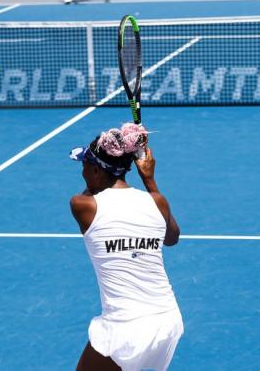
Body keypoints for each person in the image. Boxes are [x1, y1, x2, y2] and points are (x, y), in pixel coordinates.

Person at [69, 123, 183, 371]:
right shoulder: (156, 201)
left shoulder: (82, 205)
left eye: (86, 165)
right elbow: (172, 237)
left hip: (124, 327)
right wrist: (149, 181)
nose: (82, 171)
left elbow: (91, 190)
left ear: (98, 171)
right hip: (167, 321)